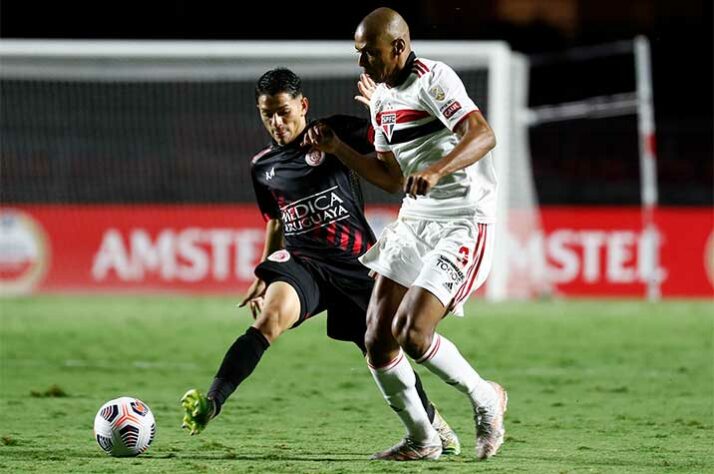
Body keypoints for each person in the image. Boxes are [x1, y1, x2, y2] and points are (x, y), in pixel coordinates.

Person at [180, 67, 461, 456]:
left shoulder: (334, 132)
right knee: (269, 321)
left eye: (283, 111)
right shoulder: (262, 167)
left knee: (382, 349)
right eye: (267, 114)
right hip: (303, 265)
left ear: (303, 105)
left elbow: (388, 146)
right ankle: (213, 400)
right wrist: (263, 271)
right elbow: (276, 219)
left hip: (357, 264)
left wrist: (383, 109)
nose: (277, 123)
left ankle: (429, 423)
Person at [301, 8, 507, 461]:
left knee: (413, 332)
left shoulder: (436, 80)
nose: (362, 65)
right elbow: (392, 177)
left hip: (463, 219)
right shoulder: (379, 100)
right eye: (358, 54)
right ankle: (422, 439)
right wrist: (338, 148)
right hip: (415, 220)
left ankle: (486, 399)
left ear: (398, 47)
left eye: (369, 53)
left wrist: (436, 169)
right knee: (376, 336)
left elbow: (483, 134)